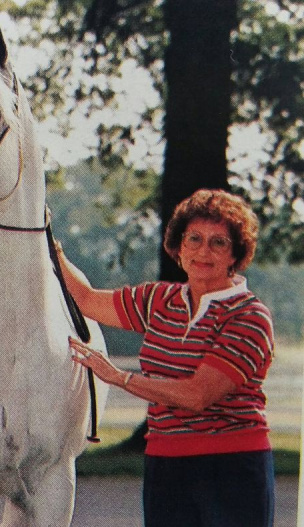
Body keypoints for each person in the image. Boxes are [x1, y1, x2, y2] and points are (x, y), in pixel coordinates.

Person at [58, 189, 275, 527]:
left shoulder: (249, 315)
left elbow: (197, 395)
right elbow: (86, 300)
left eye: (218, 242)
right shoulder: (160, 299)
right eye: (194, 239)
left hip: (232, 467)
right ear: (178, 246)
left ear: (236, 254)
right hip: (166, 464)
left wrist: (119, 377)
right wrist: (49, 244)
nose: (204, 251)